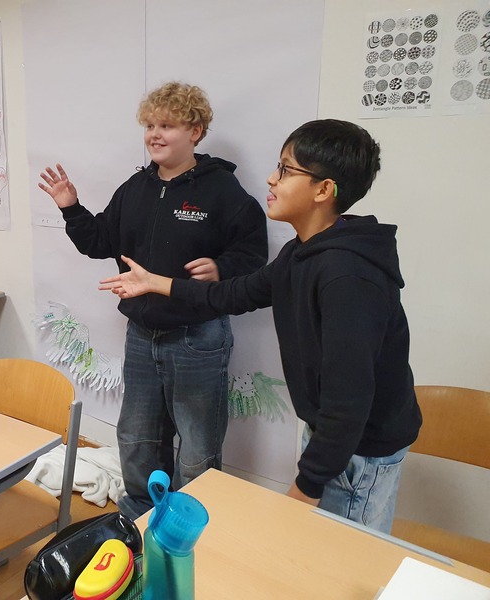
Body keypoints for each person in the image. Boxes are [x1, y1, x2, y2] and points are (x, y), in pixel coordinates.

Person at [99, 119, 422, 533]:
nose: (272, 178)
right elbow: (233, 294)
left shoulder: (348, 276)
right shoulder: (302, 253)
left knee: (341, 560)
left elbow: (349, 401)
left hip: (361, 451)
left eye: (286, 170)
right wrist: (155, 283)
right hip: (334, 438)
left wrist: (305, 487)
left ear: (323, 190)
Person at [40, 81, 268, 519]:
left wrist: (222, 268)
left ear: (195, 132)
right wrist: (71, 206)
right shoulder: (136, 187)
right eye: (150, 126)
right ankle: (139, 518)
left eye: (167, 125)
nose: (155, 135)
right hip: (142, 335)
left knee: (198, 447)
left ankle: (190, 525)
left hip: (198, 337)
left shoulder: (221, 189)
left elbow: (253, 254)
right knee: (137, 438)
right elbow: (100, 241)